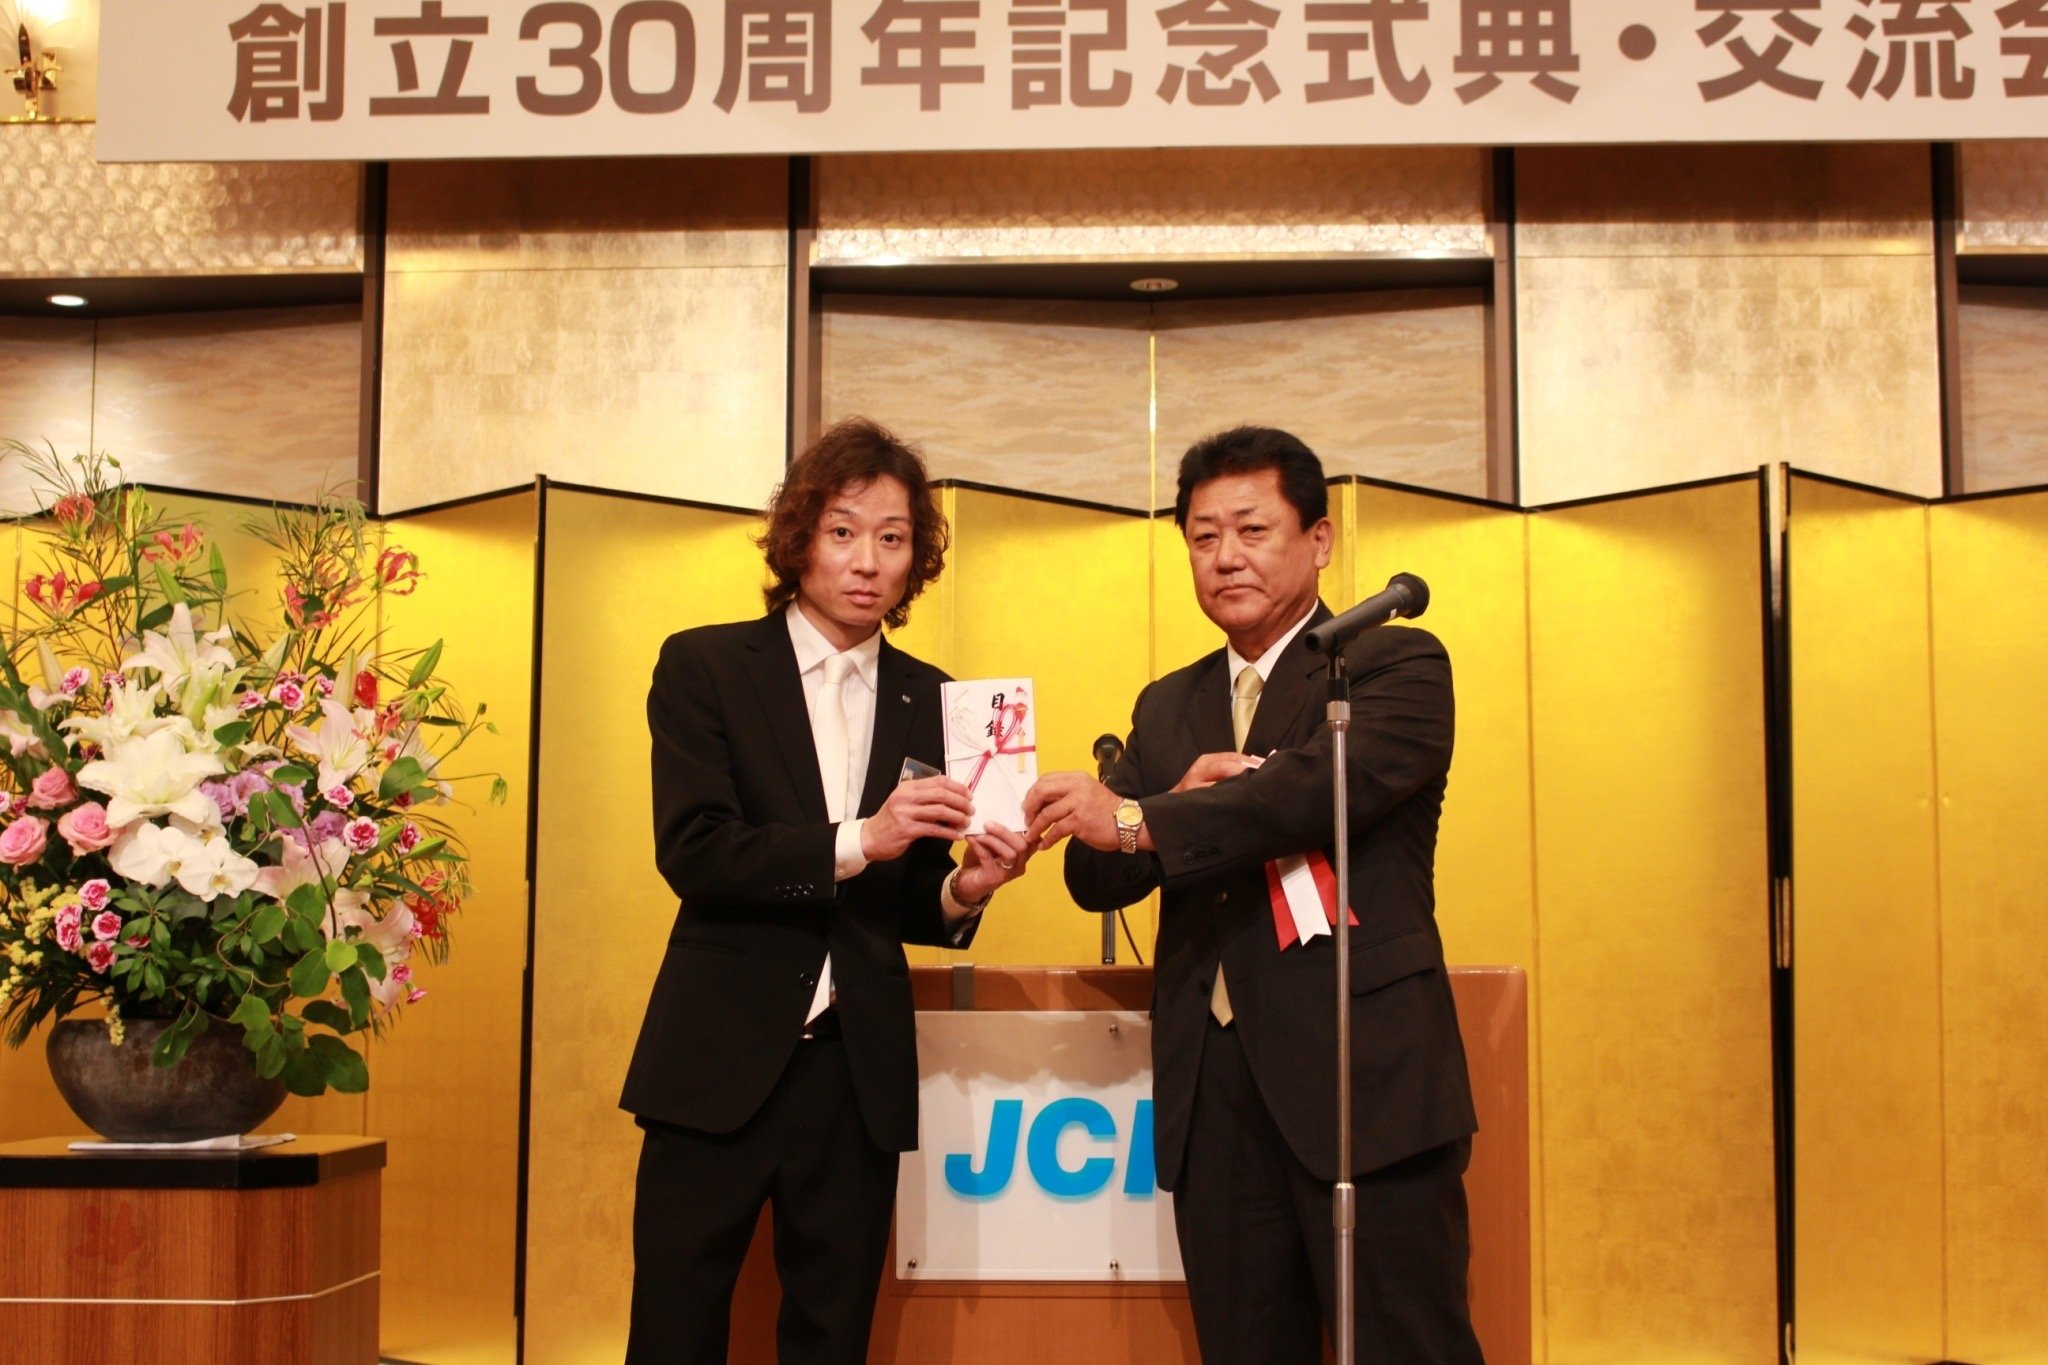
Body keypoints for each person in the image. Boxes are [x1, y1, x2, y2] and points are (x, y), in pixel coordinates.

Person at [1025, 425, 1482, 1363]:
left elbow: (1308, 792)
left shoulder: (1392, 665)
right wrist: (1141, 811)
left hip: (1364, 1078)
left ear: (1320, 539)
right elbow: (1097, 871)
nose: (1225, 555)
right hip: (1216, 1093)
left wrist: (1142, 815)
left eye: (1251, 528)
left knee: (1407, 1344)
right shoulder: (1167, 703)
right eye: (1203, 536)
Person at [621, 417, 1033, 1364]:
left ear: (917, 559)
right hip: (717, 1058)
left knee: (832, 1336)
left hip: (856, 1070)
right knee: (675, 1328)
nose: (867, 561)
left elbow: (909, 897)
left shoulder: (937, 696)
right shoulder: (706, 665)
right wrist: (862, 838)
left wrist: (967, 889)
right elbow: (695, 850)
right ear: (799, 535)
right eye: (843, 531)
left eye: (893, 538)